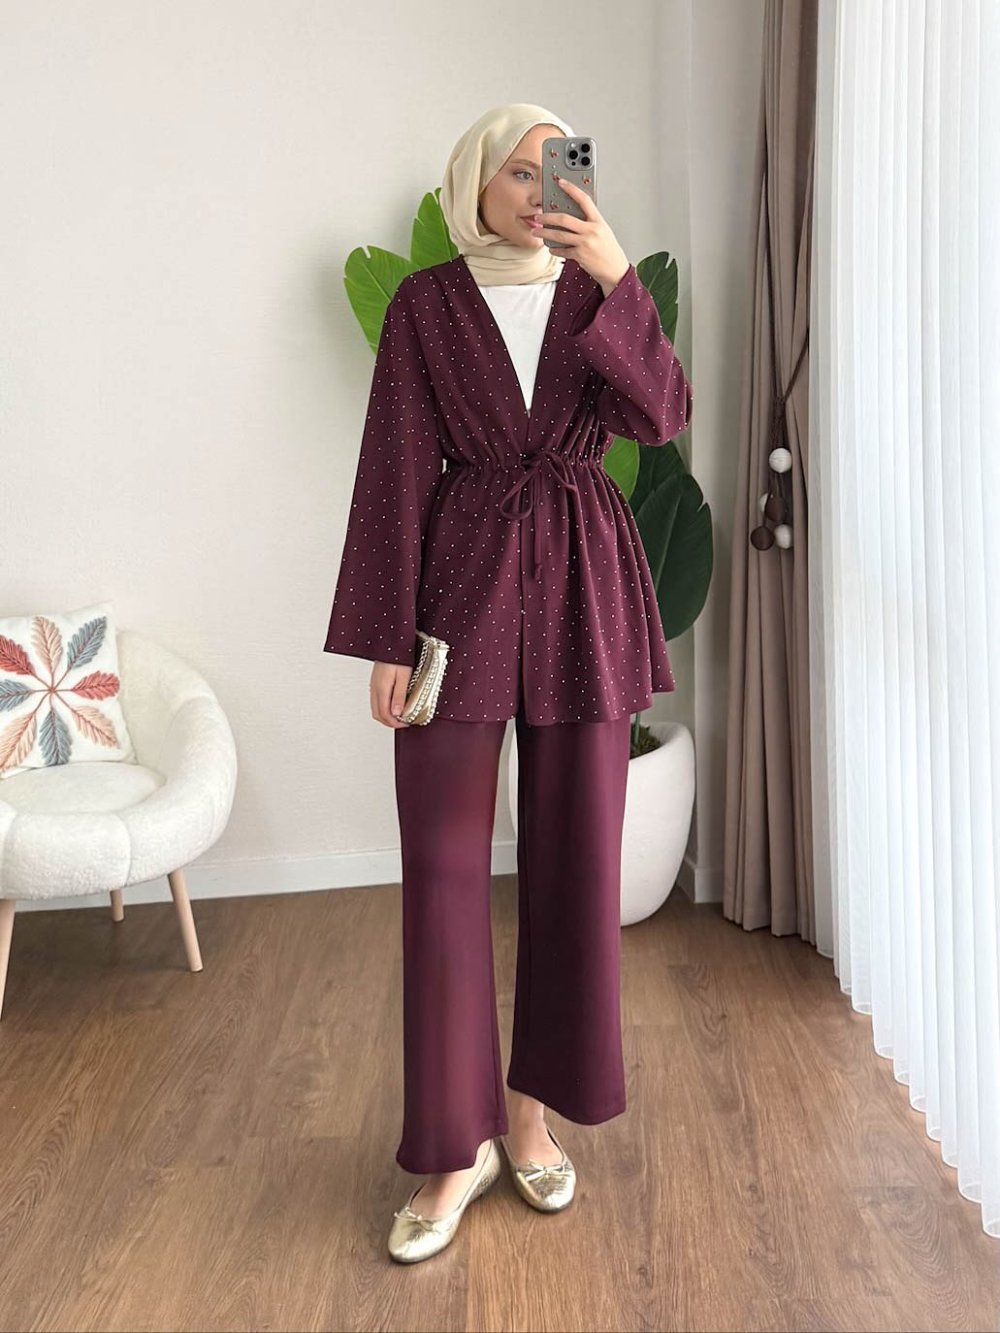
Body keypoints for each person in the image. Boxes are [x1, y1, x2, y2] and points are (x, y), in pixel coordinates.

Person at [323, 103, 694, 1264]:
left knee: (576, 864)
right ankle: (453, 1147)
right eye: (520, 171)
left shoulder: (595, 295)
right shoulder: (425, 305)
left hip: (587, 582)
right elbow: (392, 468)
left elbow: (660, 416)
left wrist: (618, 277)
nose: (541, 190)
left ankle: (529, 1121)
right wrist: (386, 637)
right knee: (441, 871)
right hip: (460, 585)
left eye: (560, 168)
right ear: (475, 181)